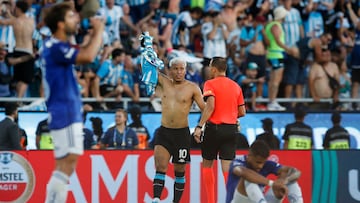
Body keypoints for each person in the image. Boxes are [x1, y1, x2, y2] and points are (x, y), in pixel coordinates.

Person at [41, 2, 104, 203]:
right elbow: (88, 55)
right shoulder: (56, 47)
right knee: (68, 162)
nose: (75, 19)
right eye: (70, 17)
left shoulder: (55, 46)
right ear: (60, 24)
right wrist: (99, 30)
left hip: (62, 109)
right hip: (65, 110)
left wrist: (90, 35)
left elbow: (81, 50)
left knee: (65, 164)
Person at [150, 57, 205, 203]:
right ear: (170, 70)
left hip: (181, 133)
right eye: (176, 68)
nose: (179, 72)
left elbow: (205, 108)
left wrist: (201, 126)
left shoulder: (193, 87)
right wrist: (147, 50)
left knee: (179, 171)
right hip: (164, 131)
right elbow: (147, 70)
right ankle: (156, 198)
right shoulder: (163, 81)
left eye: (182, 69)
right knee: (161, 166)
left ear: (185, 70)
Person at [193, 57, 246, 203]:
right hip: (231, 130)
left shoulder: (210, 83)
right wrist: (231, 114)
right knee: (227, 168)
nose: (210, 70)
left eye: (210, 67)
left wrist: (199, 126)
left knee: (207, 164)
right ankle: (231, 200)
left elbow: (210, 106)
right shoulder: (236, 86)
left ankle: (211, 201)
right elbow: (242, 112)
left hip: (214, 129)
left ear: (214, 69)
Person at [226, 140, 303, 203]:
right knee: (247, 179)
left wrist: (283, 181)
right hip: (238, 201)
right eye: (258, 162)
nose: (261, 166)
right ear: (249, 155)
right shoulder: (238, 161)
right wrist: (272, 183)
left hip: (260, 200)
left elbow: (295, 171)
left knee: (290, 179)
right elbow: (243, 172)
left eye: (263, 162)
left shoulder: (267, 164)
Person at [0, 0, 35, 98]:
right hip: (28, 51)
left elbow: (2, 21)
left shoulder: (15, 21)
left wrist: (5, 12)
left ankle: (17, 100)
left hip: (17, 51)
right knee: (24, 80)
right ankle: (18, 100)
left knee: (20, 79)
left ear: (18, 9)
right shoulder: (31, 20)